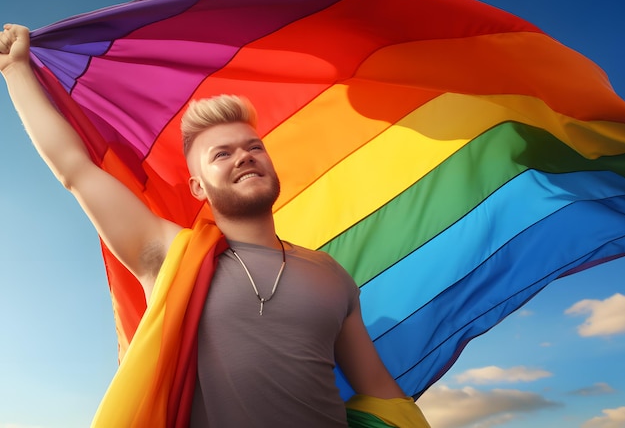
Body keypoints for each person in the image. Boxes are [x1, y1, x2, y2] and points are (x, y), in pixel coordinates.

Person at [1, 23, 429, 427]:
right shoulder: (166, 253)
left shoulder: (332, 275)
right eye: (221, 155)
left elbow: (380, 392)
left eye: (253, 147)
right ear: (198, 187)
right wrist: (16, 70)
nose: (244, 156)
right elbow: (76, 170)